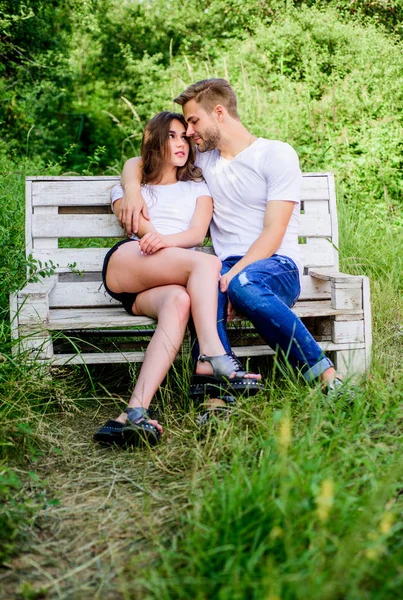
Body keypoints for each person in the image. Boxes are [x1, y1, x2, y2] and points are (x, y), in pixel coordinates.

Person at [117, 79, 349, 395]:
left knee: (238, 284)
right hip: (225, 267)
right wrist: (132, 189)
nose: (188, 132)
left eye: (194, 121)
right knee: (208, 293)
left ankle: (328, 379)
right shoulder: (204, 159)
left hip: (275, 264)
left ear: (220, 112)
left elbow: (273, 233)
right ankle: (216, 400)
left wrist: (233, 276)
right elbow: (142, 161)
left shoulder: (275, 154)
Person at [94, 111, 261, 448]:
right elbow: (141, 232)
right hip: (131, 262)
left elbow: (196, 233)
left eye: (184, 137)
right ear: (155, 140)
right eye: (170, 136)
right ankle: (213, 356)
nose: (180, 142)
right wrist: (133, 190)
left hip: (163, 283)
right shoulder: (131, 189)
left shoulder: (198, 188)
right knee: (207, 264)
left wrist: (167, 241)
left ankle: (134, 411)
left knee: (179, 302)